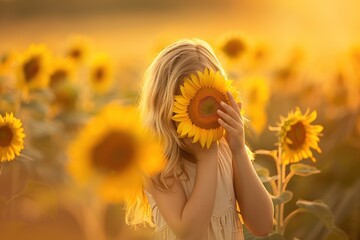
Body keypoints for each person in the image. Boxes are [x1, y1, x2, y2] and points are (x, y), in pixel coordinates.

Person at [125, 38, 274, 240]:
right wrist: (206, 159)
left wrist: (238, 150)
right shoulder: (159, 164)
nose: (206, 112)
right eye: (189, 103)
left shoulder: (226, 149)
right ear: (166, 106)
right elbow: (190, 235)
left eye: (211, 100)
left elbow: (263, 224)